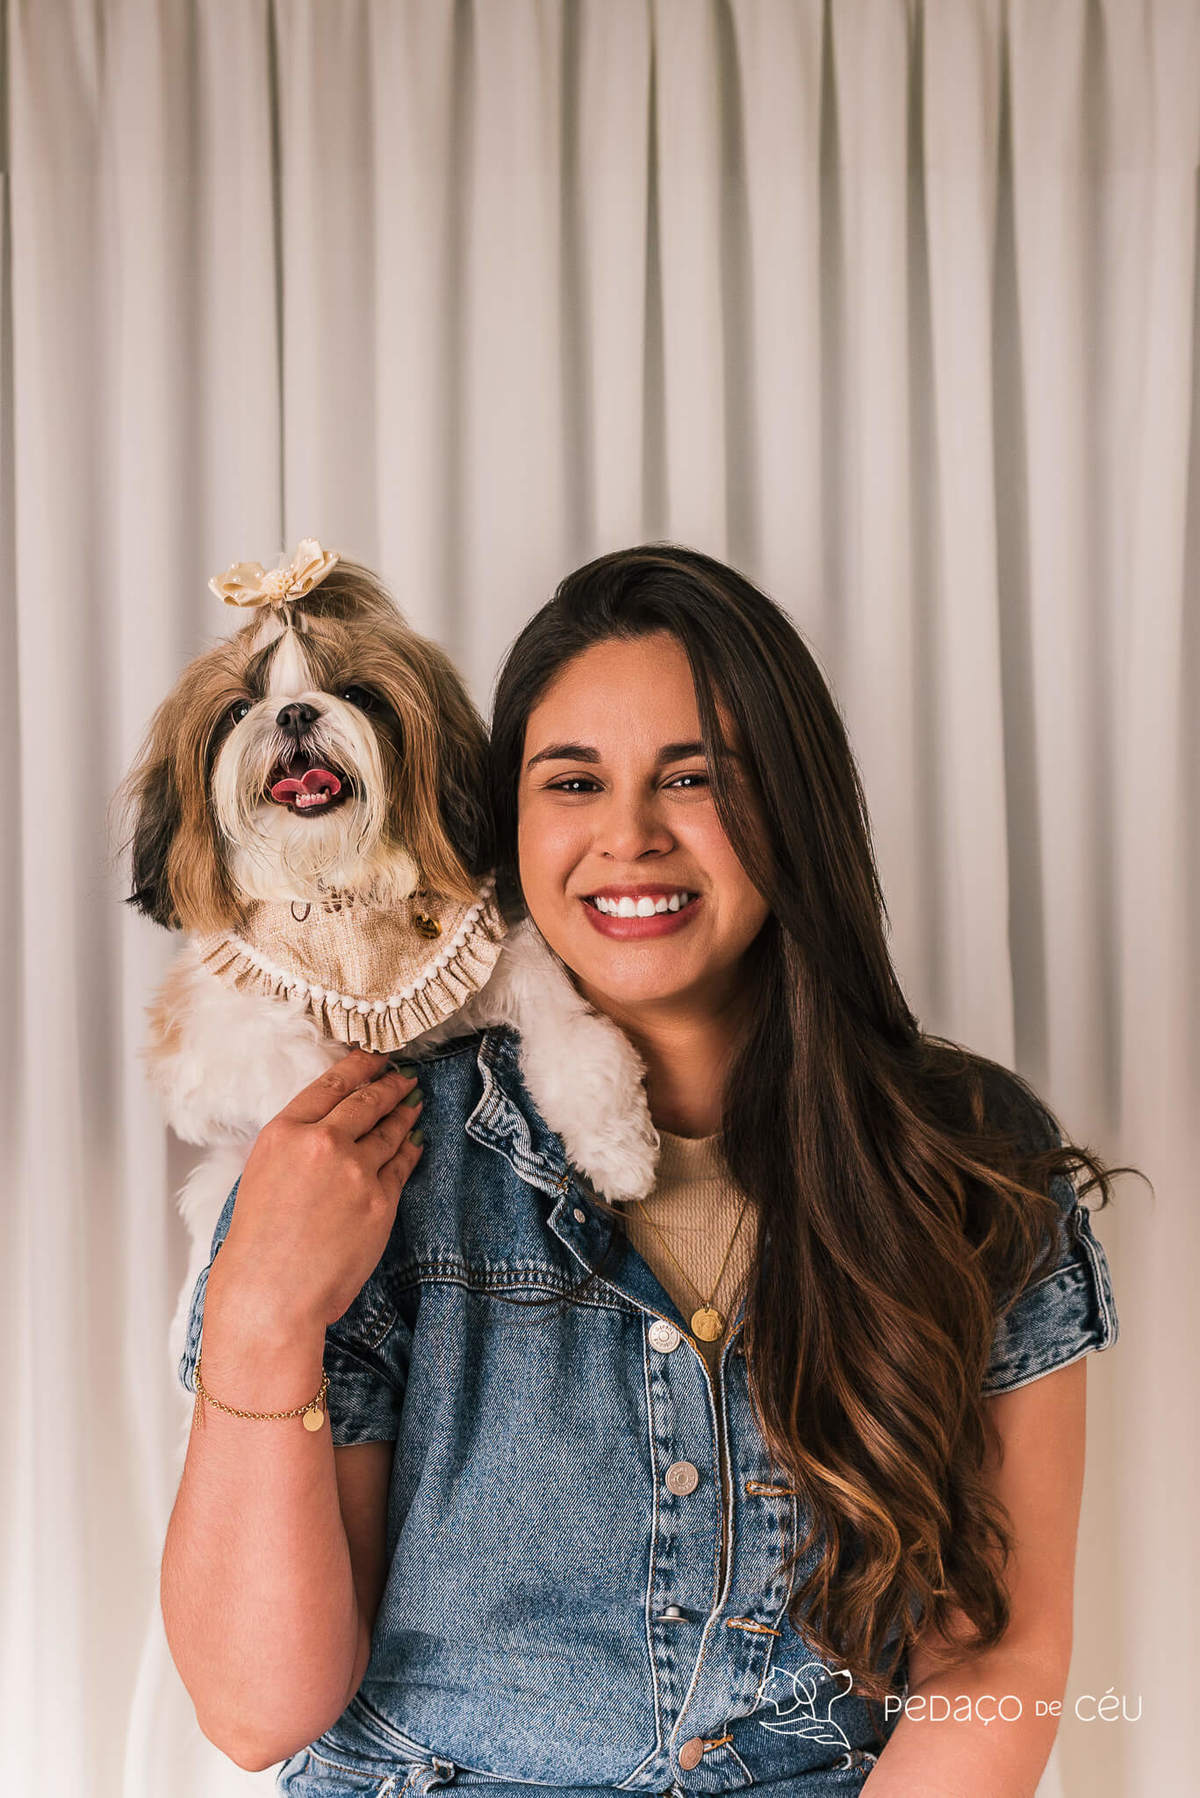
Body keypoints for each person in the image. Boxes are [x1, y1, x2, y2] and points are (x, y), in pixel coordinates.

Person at [162, 545, 1127, 1797]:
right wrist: (258, 1306)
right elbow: (255, 1710)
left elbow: (996, 1658)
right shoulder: (372, 1154)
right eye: (573, 781)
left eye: (696, 778)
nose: (629, 836)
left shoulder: (968, 1161)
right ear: (499, 818)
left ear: (794, 805)